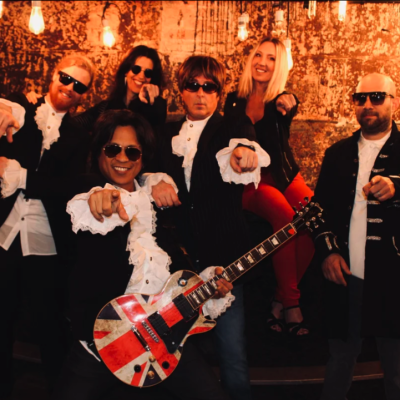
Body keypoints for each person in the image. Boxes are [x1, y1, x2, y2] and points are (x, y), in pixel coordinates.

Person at [88, 55, 270, 400]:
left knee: (232, 355)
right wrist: (154, 179)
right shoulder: (164, 133)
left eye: (209, 87)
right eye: (192, 85)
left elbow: (245, 142)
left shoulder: (231, 127)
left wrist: (246, 152)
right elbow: (136, 169)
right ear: (181, 91)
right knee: (174, 354)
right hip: (177, 271)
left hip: (224, 266)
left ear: (219, 93)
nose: (200, 93)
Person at [52, 109, 232, 400]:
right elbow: (84, 196)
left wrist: (208, 283)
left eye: (132, 151)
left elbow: (173, 264)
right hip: (103, 342)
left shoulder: (154, 201)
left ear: (143, 157)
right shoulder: (84, 195)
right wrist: (99, 197)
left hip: (163, 338)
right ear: (99, 151)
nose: (122, 158)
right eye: (113, 149)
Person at [0, 54, 95, 397]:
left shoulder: (80, 135)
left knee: (50, 327)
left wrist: (22, 176)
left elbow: (68, 188)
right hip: (5, 234)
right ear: (53, 76)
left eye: (79, 85)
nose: (70, 87)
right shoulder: (22, 111)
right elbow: (8, 110)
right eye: (66, 78)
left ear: (84, 95)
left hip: (47, 240)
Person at [314, 73, 400, 400]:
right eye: (360, 98)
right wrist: (328, 252)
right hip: (346, 278)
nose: (367, 104)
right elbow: (318, 212)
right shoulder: (337, 153)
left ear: (394, 102)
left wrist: (396, 187)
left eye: (377, 97)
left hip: (393, 279)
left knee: (396, 370)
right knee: (339, 364)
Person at [224, 36, 314, 337]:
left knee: (316, 217)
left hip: (286, 176)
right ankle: (292, 304)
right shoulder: (234, 100)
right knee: (286, 217)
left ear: (280, 66)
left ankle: (279, 299)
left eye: (272, 58)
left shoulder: (281, 100)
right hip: (252, 182)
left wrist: (291, 101)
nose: (262, 62)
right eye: (258, 55)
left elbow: (290, 105)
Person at [27, 45, 166, 131]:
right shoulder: (105, 107)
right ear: (126, 71)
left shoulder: (156, 106)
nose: (141, 76)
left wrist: (151, 101)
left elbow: (155, 135)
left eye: (148, 72)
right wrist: (45, 104)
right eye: (136, 69)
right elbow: (73, 124)